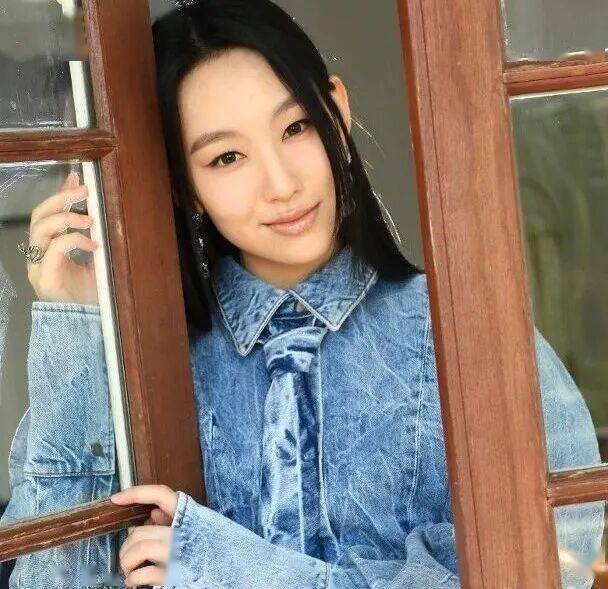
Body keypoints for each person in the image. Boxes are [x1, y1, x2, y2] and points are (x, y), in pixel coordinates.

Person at [1, 1, 603, 587]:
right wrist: (79, 328)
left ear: (336, 110)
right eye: (227, 157)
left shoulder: (467, 335)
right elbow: (50, 580)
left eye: (296, 127)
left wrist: (233, 571)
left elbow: (546, 571)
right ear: (182, 186)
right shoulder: (142, 378)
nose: (282, 184)